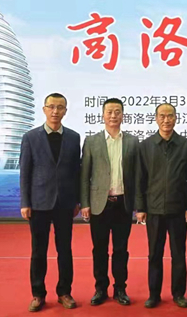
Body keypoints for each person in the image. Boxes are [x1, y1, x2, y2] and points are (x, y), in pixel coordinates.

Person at [19, 93, 81, 312]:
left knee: (65, 250)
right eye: (51, 107)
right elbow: (25, 172)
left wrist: (77, 200)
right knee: (39, 251)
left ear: (66, 111)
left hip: (65, 203)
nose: (56, 111)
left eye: (60, 107)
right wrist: (25, 202)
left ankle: (64, 292)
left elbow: (76, 172)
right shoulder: (30, 137)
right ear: (44, 109)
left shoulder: (74, 137)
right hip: (38, 203)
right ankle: (38, 294)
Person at [135, 103, 187, 309]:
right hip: (153, 209)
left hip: (178, 209)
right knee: (154, 254)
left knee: (178, 253)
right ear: (156, 118)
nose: (166, 120)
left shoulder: (186, 145)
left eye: (170, 116)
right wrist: (140, 208)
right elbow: (140, 179)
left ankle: (178, 294)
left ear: (176, 118)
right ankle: (154, 294)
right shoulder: (146, 146)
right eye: (162, 116)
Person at [80, 98, 140, 306]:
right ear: (103, 115)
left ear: (123, 115)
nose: (113, 115)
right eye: (109, 112)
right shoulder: (92, 141)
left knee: (121, 249)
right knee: (99, 249)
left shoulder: (132, 141)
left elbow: (137, 175)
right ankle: (100, 289)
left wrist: (139, 205)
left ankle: (120, 288)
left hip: (123, 204)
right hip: (100, 204)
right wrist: (85, 203)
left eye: (117, 111)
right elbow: (84, 175)